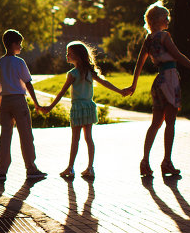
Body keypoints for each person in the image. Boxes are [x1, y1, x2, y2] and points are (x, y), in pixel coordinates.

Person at [122, 2, 190, 178]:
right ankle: (167, 161)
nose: (168, 20)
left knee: (155, 123)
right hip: (169, 79)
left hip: (158, 81)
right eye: (165, 17)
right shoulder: (164, 37)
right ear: (158, 19)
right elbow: (178, 56)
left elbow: (139, 63)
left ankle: (145, 161)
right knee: (170, 123)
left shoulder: (149, 39)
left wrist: (134, 84)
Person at [39, 41, 126, 180]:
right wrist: (120, 91)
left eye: (69, 53)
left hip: (78, 108)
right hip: (89, 107)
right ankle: (90, 168)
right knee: (88, 138)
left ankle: (70, 168)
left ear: (78, 56)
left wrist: (50, 107)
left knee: (75, 139)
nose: (67, 55)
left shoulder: (72, 73)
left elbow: (62, 92)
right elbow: (105, 83)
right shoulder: (89, 72)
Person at [0, 29, 46, 182]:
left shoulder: (0, 62)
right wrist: (36, 103)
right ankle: (31, 168)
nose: (21, 47)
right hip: (18, 101)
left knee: (5, 136)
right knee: (26, 135)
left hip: (5, 102)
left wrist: (0, 104)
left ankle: (1, 171)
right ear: (13, 44)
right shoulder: (19, 62)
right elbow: (28, 83)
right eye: (19, 44)